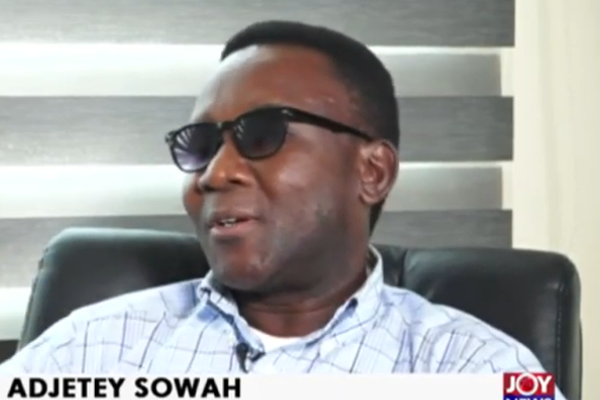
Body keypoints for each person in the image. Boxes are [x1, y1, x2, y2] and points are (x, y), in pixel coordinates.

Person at [0, 20, 564, 395]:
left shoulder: (482, 370)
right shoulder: (89, 349)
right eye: (200, 144)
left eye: (262, 132)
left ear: (372, 171)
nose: (215, 173)